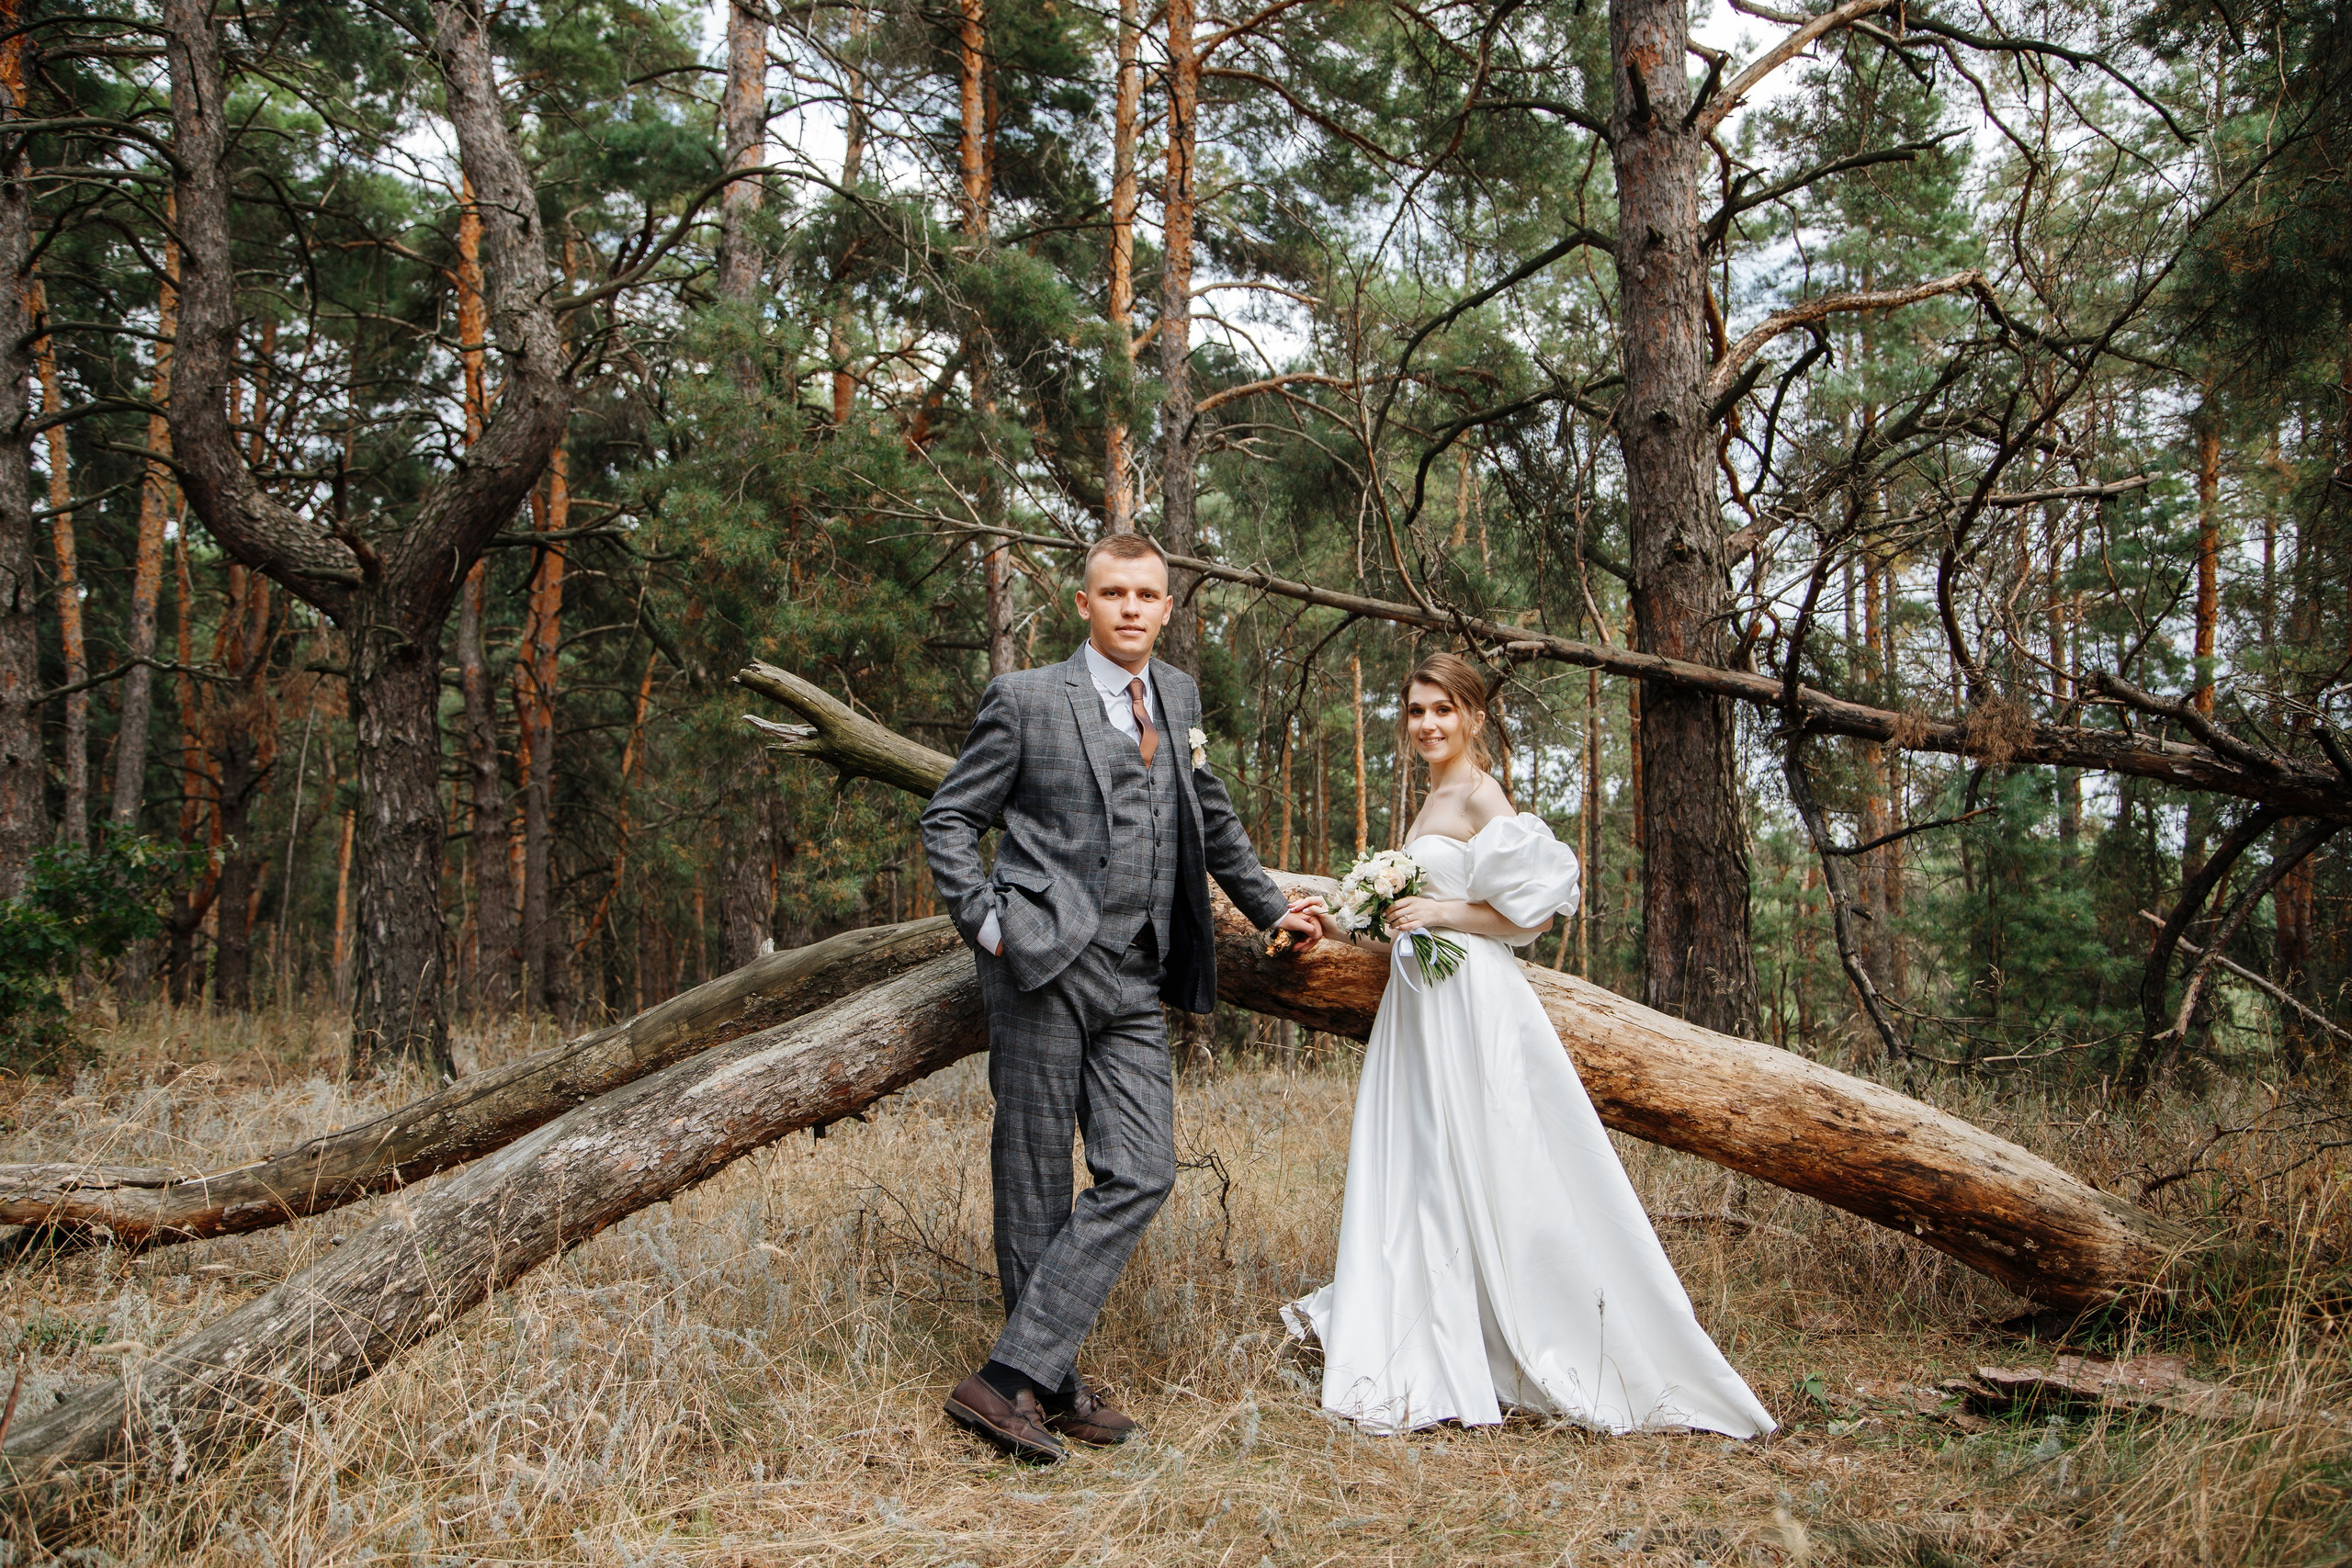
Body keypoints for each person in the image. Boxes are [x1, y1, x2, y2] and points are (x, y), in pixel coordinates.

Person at [1286, 650, 1775, 1438]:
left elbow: (1529, 921)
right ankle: (1434, 1329)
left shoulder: (1482, 795)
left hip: (1472, 1001)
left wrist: (1441, 914)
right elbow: (1400, 928)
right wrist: (1334, 922)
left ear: (1474, 717)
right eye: (1416, 711)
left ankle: (1540, 1332)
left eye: (1443, 709)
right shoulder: (1431, 797)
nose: (1427, 724)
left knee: (1495, 1156)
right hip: (1419, 1007)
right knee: (1426, 1160)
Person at [919, 531, 1326, 1464]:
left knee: (1140, 1169)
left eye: (1147, 594)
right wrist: (989, 925)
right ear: (1084, 604)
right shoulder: (1025, 699)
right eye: (1113, 594)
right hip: (1043, 965)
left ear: (1168, 606)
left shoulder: (1177, 697)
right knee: (1031, 1178)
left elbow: (1207, 815)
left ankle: (1010, 1377)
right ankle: (1043, 1389)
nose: (1131, 608)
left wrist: (1272, 907)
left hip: (1138, 971)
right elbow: (949, 818)